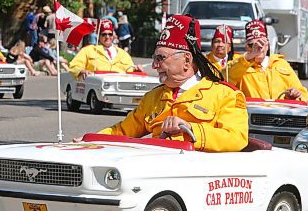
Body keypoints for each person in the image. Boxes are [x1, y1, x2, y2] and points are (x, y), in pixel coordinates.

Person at [75, 15, 249, 152]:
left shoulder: (225, 95)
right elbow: (121, 131)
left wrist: (190, 129)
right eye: (154, 58)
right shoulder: (153, 97)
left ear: (187, 60)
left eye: (160, 58)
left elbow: (237, 138)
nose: (154, 65)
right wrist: (90, 139)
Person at [226, 20, 308, 102]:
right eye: (252, 45)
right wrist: (248, 56)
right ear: (246, 47)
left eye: (261, 44)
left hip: (279, 113)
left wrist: (296, 95)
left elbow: (302, 93)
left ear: (267, 46)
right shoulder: (238, 64)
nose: (258, 48)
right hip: (250, 114)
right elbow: (225, 78)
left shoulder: (281, 64)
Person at [68, 19, 140, 80]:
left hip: (118, 88)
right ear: (98, 36)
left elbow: (130, 70)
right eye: (104, 34)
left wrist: (137, 69)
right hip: (95, 86)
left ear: (113, 35)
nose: (107, 37)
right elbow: (74, 66)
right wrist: (81, 71)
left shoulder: (123, 53)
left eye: (110, 34)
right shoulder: (88, 50)